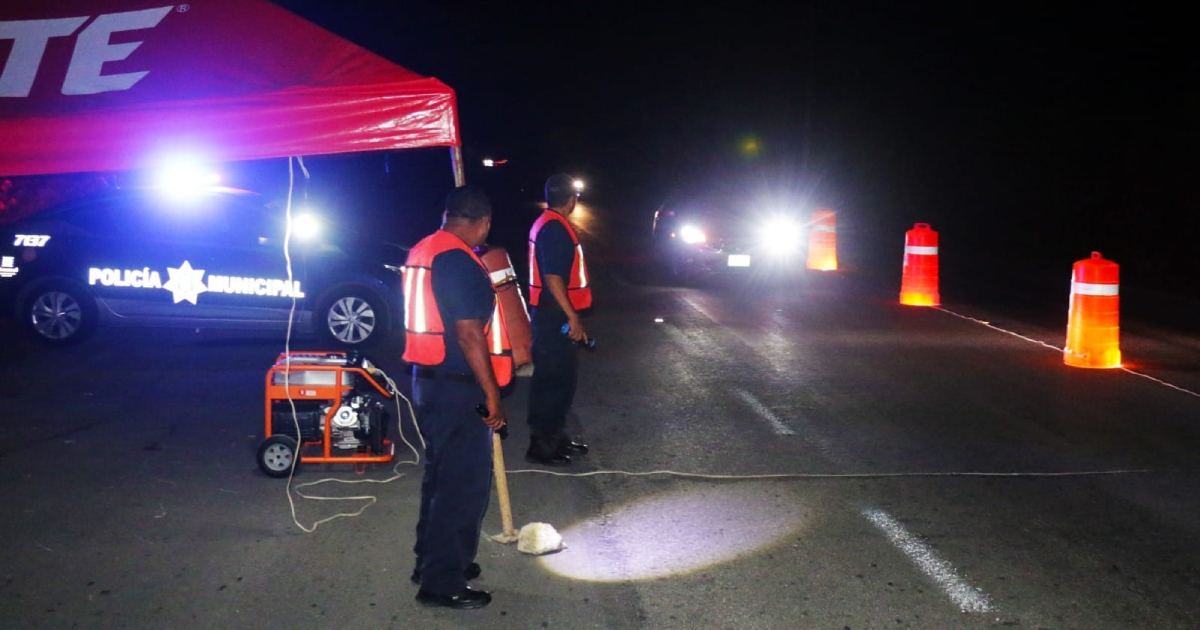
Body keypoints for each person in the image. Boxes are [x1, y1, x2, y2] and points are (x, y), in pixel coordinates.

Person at [403, 185, 513, 610]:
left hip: (428, 381)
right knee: (461, 488)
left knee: (439, 480)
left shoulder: (424, 249)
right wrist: (493, 395)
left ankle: (432, 563)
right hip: (456, 388)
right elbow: (470, 335)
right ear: (483, 223)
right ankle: (442, 583)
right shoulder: (459, 261)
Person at [525, 173, 593, 466]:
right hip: (554, 317)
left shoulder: (548, 223)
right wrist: (572, 317)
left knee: (562, 380)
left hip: (552, 315)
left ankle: (556, 437)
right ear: (572, 200)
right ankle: (542, 446)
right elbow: (553, 278)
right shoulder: (555, 229)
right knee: (552, 381)